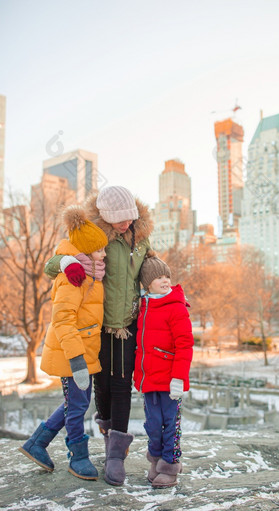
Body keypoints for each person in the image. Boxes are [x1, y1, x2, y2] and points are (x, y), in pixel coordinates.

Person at [44, 185, 154, 486]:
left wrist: (165, 286)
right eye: (120, 219)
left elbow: (152, 267)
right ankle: (91, 437)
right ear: (105, 216)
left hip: (126, 325)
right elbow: (52, 264)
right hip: (96, 326)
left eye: (130, 218)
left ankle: (116, 454)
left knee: (121, 386)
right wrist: (71, 263)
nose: (126, 224)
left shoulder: (139, 238)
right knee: (100, 388)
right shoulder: (92, 236)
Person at [19, 205, 108, 481]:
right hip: (74, 355)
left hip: (84, 352)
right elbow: (63, 320)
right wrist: (77, 359)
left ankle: (37, 442)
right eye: (100, 250)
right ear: (85, 252)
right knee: (78, 405)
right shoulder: (74, 279)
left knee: (75, 402)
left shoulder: (91, 274)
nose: (104, 254)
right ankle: (77, 456)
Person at [134, 255, 194, 488]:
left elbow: (185, 344)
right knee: (152, 423)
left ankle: (170, 464)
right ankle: (156, 460)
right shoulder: (143, 306)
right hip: (149, 378)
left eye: (167, 276)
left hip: (170, 379)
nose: (165, 280)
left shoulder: (176, 307)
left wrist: (179, 377)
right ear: (147, 282)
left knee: (170, 423)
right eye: (159, 277)